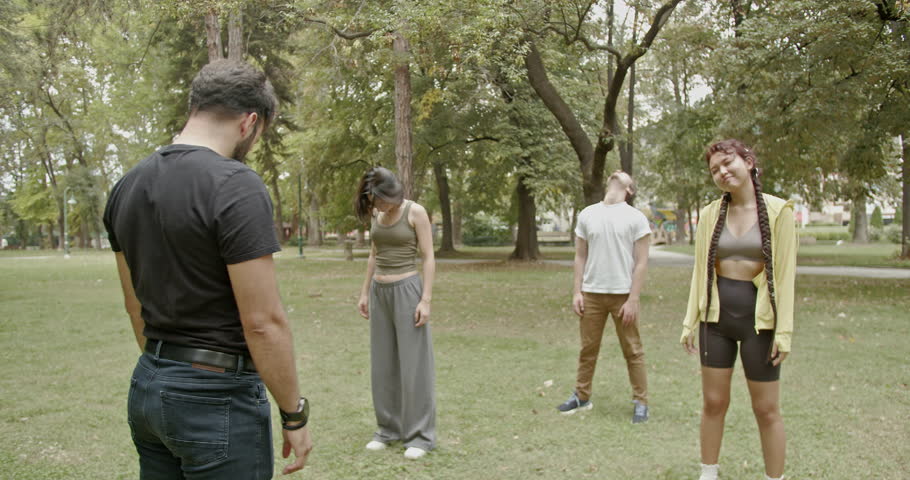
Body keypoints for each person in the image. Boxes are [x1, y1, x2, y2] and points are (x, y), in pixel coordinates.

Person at [103, 59, 313, 479]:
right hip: (216, 396)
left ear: (195, 107)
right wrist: (294, 414)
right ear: (249, 123)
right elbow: (263, 322)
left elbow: (134, 306)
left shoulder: (127, 185)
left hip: (148, 385)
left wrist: (169, 374)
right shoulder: (235, 184)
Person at [681, 139, 797, 480]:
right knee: (713, 402)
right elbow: (700, 270)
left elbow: (786, 274)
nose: (722, 172)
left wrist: (784, 332)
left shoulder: (779, 212)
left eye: (727, 162)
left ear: (748, 161)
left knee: (766, 408)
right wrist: (690, 321)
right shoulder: (709, 215)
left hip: (760, 323)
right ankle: (708, 473)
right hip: (716, 321)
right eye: (714, 170)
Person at [354, 167, 436, 460]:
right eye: (373, 200)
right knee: (383, 364)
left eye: (381, 199)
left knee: (414, 365)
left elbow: (428, 257)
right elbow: (373, 255)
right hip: (380, 292)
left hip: (407, 291)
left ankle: (420, 436)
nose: (378, 205)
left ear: (392, 193)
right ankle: (387, 430)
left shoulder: (416, 212)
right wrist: (364, 292)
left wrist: (425, 300)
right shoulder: (377, 214)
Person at [557, 170, 651, 424]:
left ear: (629, 189)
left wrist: (633, 299)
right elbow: (580, 256)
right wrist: (577, 291)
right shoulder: (587, 214)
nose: (617, 173)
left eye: (623, 175)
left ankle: (641, 402)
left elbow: (642, 262)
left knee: (633, 350)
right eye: (615, 173)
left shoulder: (636, 218)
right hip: (591, 294)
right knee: (587, 349)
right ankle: (582, 396)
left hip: (623, 296)